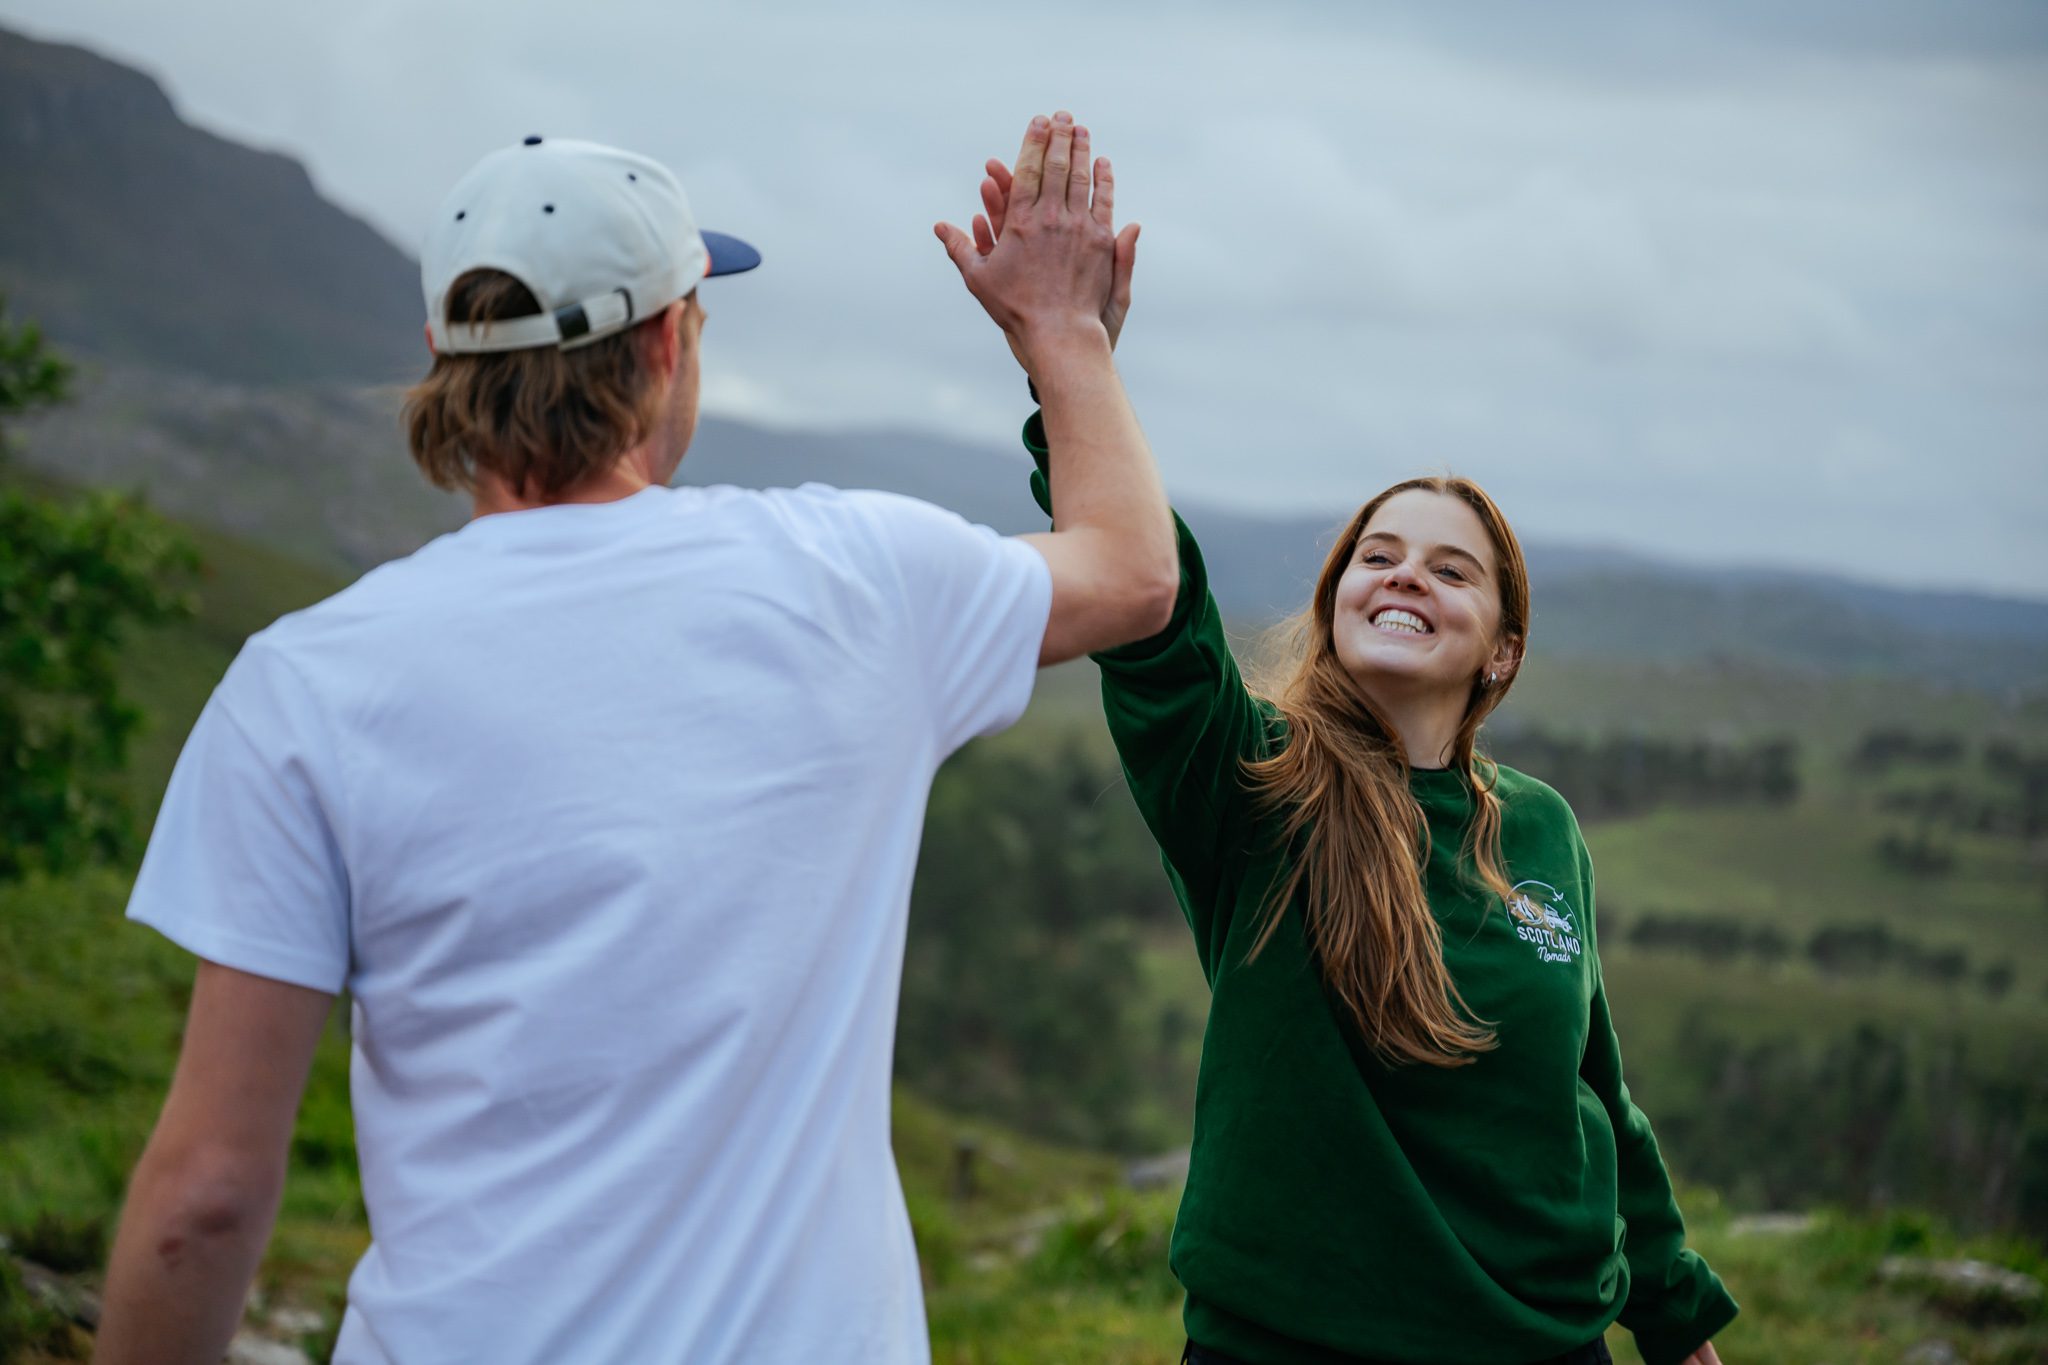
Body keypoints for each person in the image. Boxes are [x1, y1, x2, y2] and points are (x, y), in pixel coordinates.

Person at [95, 114, 1174, 1364]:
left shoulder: (303, 683)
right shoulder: (858, 580)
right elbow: (1131, 572)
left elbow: (210, 1194)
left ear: (445, 358)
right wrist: (1065, 334)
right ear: (670, 344)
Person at [974, 148, 1737, 1365]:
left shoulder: (1539, 828)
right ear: (1336, 599)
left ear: (1499, 650)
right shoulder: (1252, 784)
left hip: (1546, 1344)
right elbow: (1152, 612)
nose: (1403, 577)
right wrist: (1069, 359)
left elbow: (1592, 1096)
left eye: (1449, 568)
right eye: (1377, 555)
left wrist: (1674, 1314)